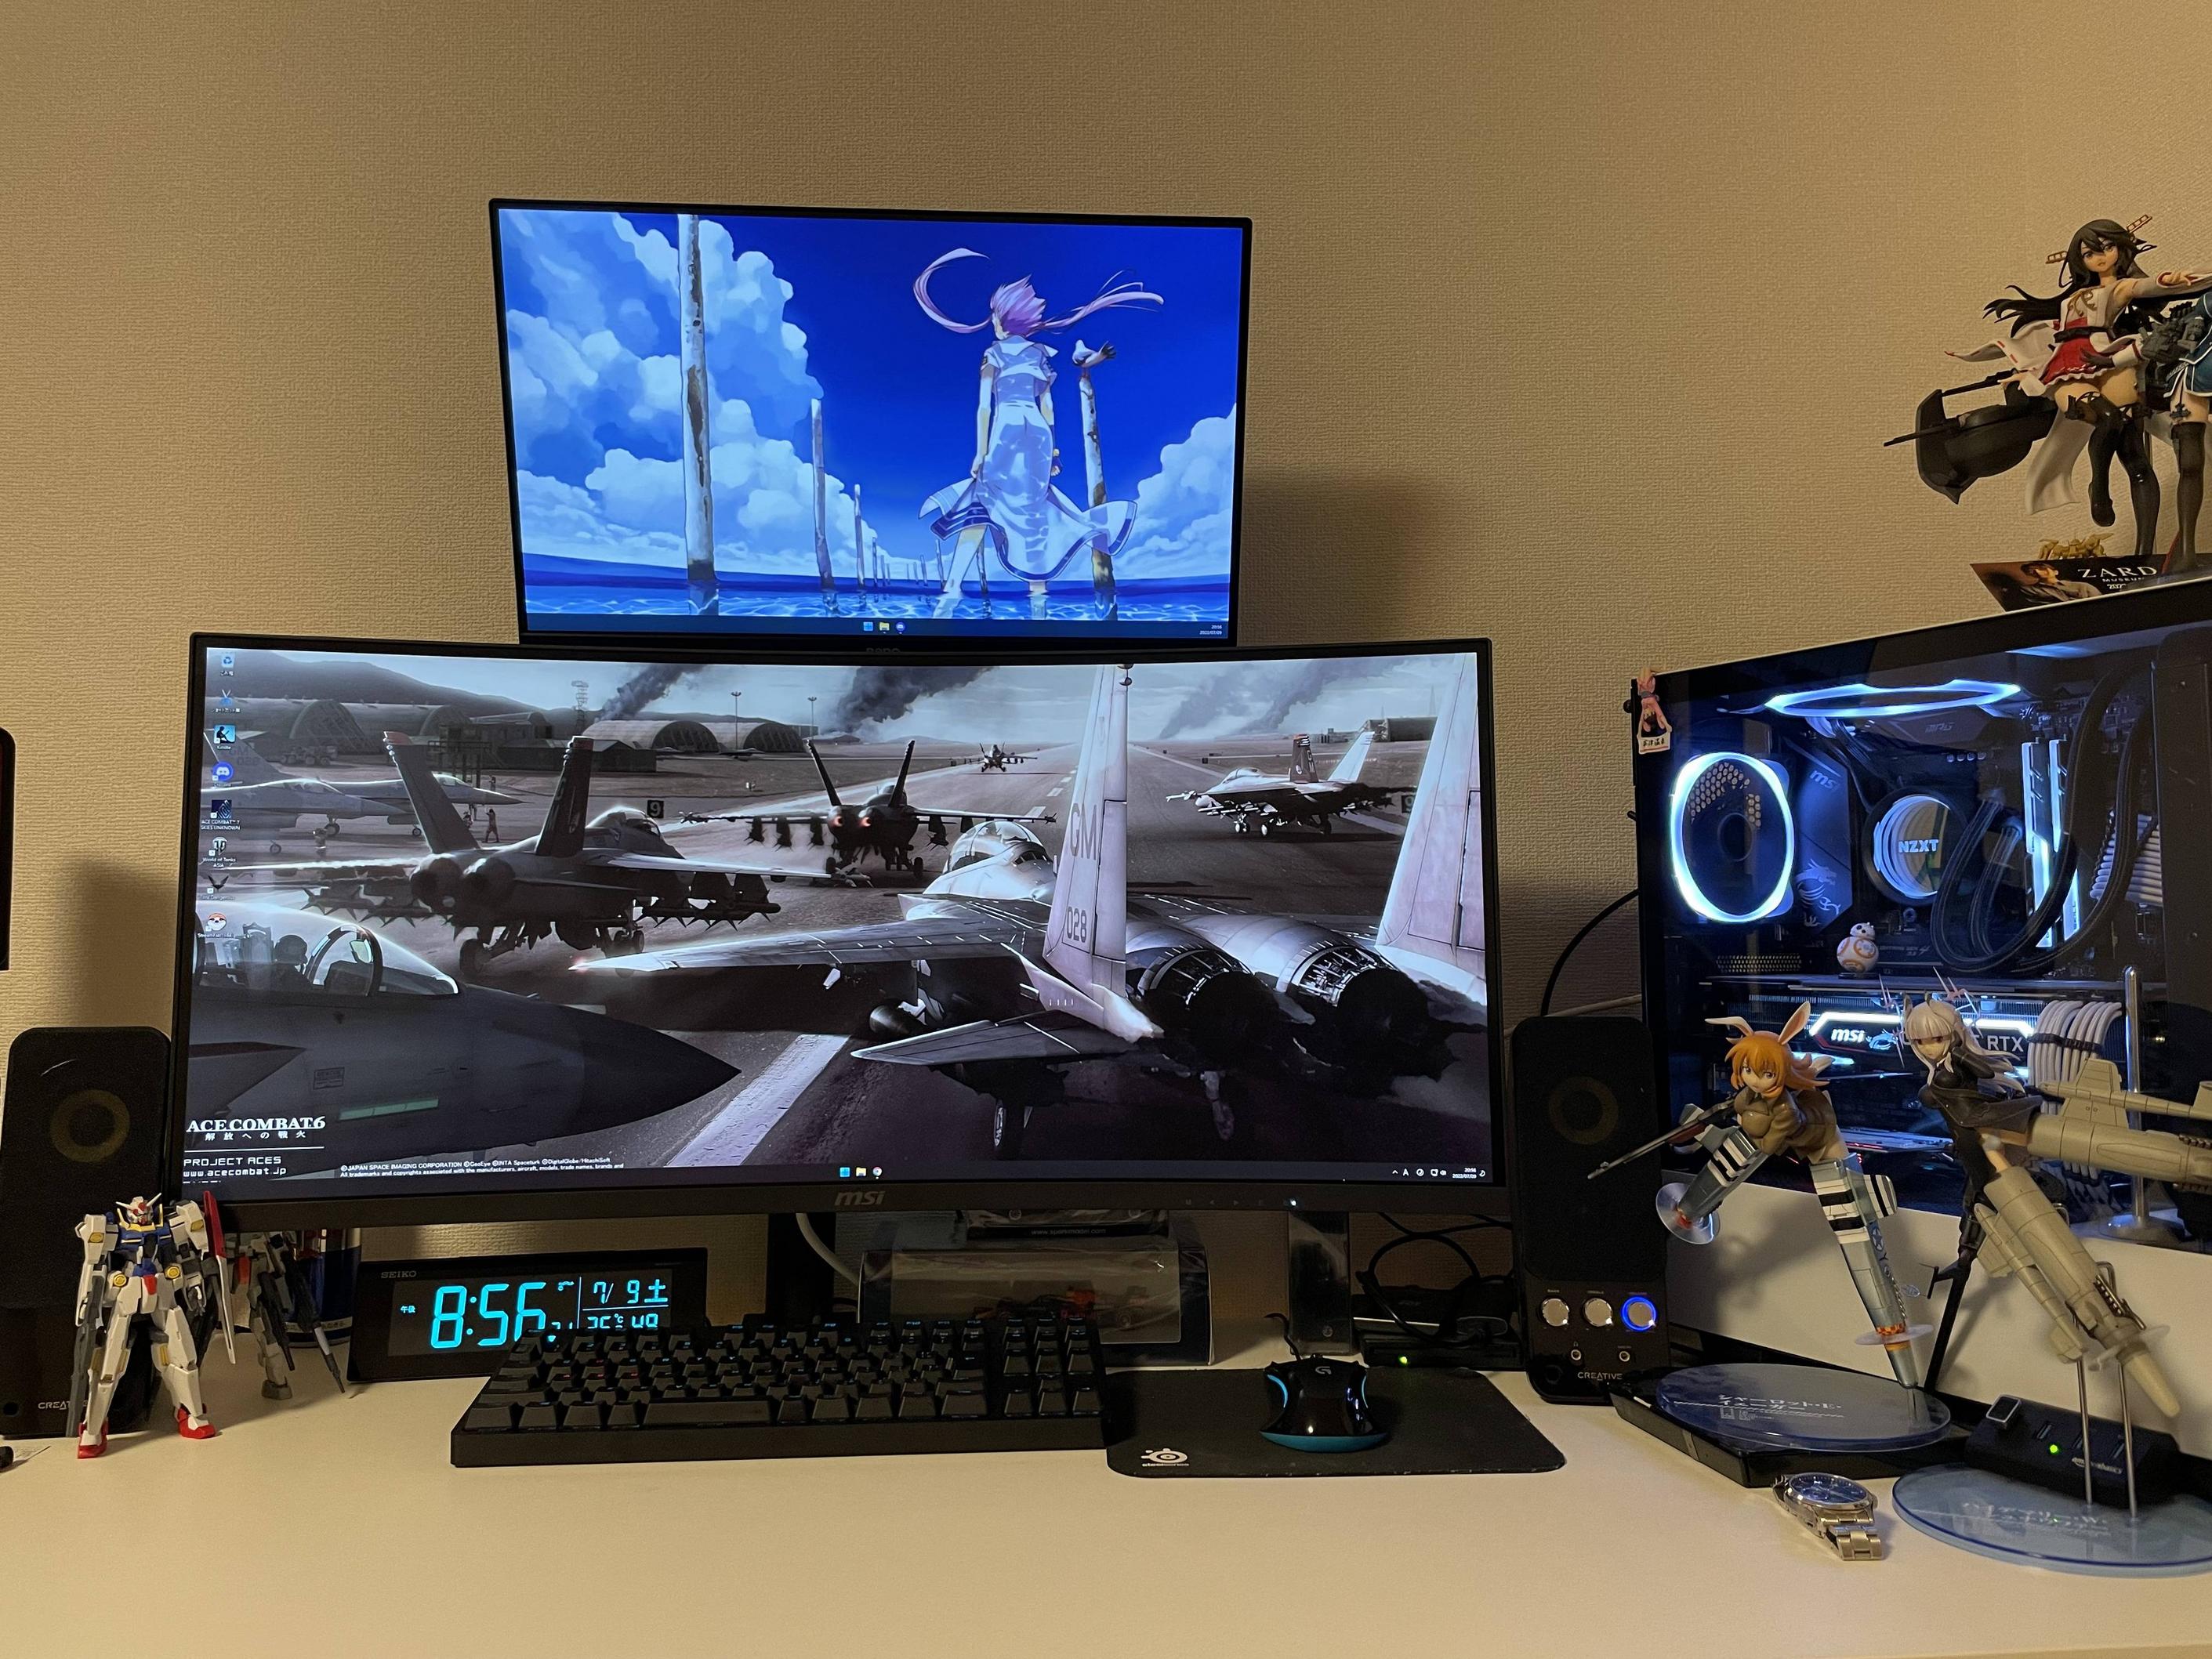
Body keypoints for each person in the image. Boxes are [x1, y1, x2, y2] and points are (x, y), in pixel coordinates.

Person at [912, 252, 1160, 607]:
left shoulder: (993, 354)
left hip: (1008, 426)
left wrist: (980, 453)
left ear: (1003, 320)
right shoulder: (1039, 354)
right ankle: (1038, 592)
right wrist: (1053, 451)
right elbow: (1048, 407)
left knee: (981, 500)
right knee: (1033, 509)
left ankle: (953, 586)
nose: (992, 322)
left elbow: (985, 407)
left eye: (995, 316)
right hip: (1038, 433)